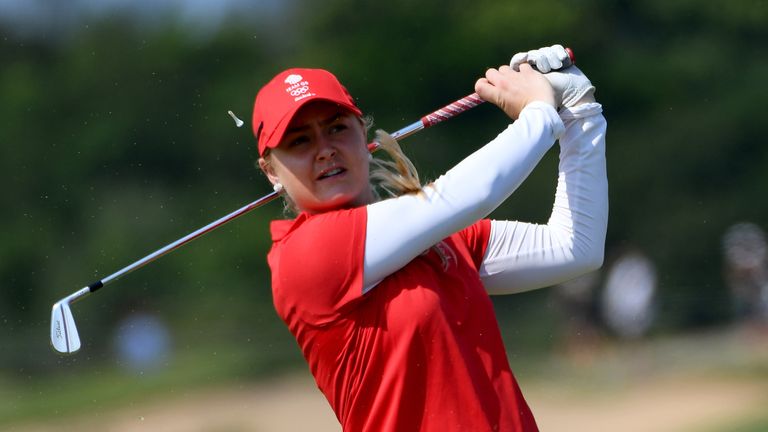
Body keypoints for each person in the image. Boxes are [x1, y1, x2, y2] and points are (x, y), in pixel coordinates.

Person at [252, 44, 608, 431]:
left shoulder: (437, 236)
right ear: (270, 170)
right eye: (300, 141)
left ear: (363, 136)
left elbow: (575, 247)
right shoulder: (304, 253)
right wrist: (539, 111)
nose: (325, 150)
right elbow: (470, 195)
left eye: (337, 128)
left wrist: (580, 113)